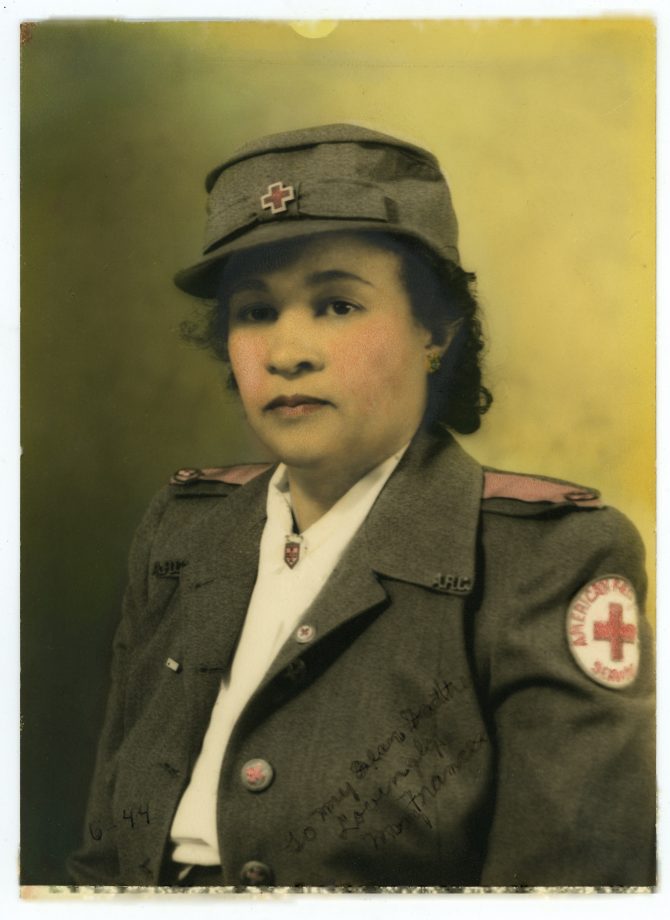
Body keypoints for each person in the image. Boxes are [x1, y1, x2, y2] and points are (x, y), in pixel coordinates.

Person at [67, 123, 655, 889]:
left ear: (435, 330)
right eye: (253, 311)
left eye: (337, 305)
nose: (286, 352)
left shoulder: (546, 558)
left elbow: (569, 886)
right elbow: (104, 858)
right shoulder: (182, 531)